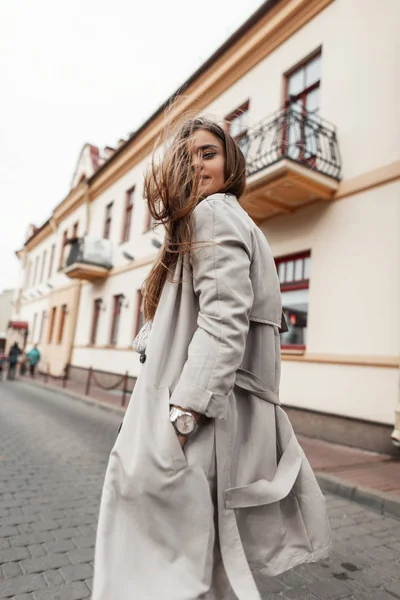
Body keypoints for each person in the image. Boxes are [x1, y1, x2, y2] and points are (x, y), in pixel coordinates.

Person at [92, 118, 331, 600]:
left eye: (209, 153)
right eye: (188, 156)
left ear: (230, 162)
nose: (198, 164)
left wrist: (183, 416)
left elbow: (224, 321)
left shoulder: (215, 215)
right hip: (212, 415)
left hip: (198, 417)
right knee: (199, 561)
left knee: (165, 560)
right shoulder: (225, 219)